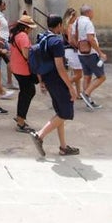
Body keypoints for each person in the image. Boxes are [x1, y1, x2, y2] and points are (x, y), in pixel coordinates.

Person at [28, 14, 81, 158]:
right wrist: (71, 87)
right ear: (58, 25)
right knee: (65, 113)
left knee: (60, 113)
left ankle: (64, 147)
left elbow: (41, 59)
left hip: (48, 78)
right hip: (58, 80)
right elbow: (60, 67)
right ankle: (39, 135)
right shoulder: (56, 42)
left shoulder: (42, 37)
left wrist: (42, 81)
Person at [9, 14, 38, 133]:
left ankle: (20, 116)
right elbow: (27, 55)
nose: (31, 31)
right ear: (26, 28)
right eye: (30, 28)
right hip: (24, 70)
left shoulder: (14, 34)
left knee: (25, 92)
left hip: (15, 67)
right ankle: (21, 121)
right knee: (28, 92)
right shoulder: (23, 37)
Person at [74, 4, 107, 110]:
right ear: (88, 12)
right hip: (91, 53)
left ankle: (88, 101)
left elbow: (73, 37)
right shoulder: (88, 22)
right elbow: (90, 39)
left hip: (81, 53)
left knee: (87, 76)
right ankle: (86, 94)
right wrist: (100, 52)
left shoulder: (77, 22)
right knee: (101, 77)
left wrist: (78, 46)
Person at [0, 0, 15, 92]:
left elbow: (4, 27)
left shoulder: (0, 15)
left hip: (4, 39)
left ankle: (8, 82)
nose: (5, 5)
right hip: (2, 40)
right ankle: (8, 83)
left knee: (6, 61)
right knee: (9, 61)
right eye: (4, 4)